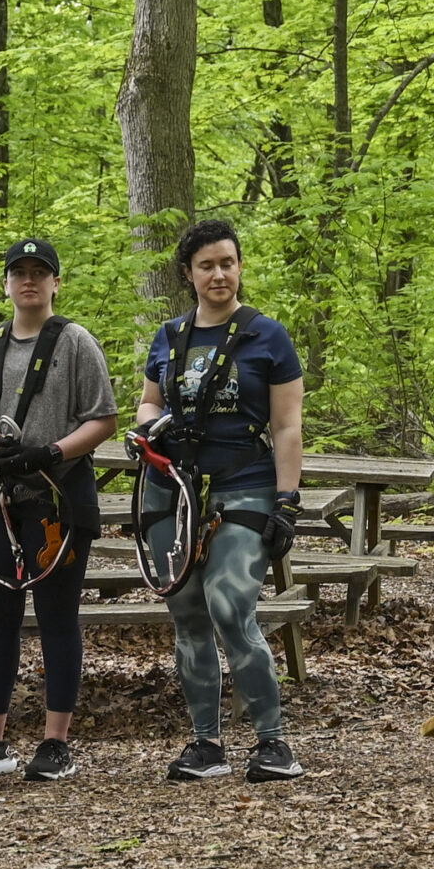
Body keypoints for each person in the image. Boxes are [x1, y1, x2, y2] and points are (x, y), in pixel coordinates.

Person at [0, 236, 118, 782]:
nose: (30, 281)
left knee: (58, 617)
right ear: (6, 283)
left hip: (56, 501)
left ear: (56, 283)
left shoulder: (76, 343)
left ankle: (55, 741)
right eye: (20, 272)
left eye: (41, 272)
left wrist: (50, 451)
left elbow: (104, 419)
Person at [134, 219, 306, 784]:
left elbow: (286, 427)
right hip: (176, 491)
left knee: (230, 605)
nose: (219, 274)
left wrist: (287, 501)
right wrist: (152, 431)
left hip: (245, 483)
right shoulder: (169, 336)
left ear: (240, 267)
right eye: (206, 265)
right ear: (188, 274)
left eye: (228, 263)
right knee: (186, 612)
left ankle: (272, 743)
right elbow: (147, 406)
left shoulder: (269, 337)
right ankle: (206, 744)